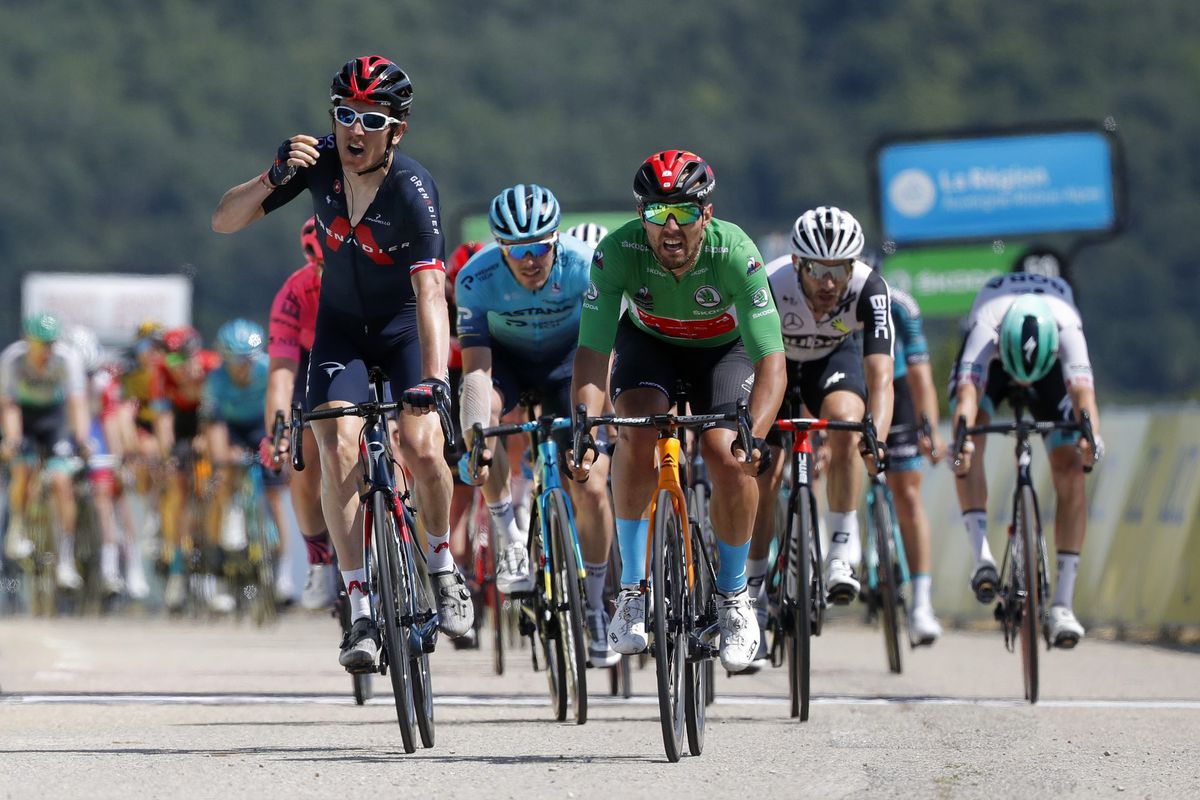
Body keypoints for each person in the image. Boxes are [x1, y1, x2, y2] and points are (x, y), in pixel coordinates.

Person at [212, 55, 472, 670]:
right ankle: (357, 607)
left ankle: (441, 563)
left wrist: (435, 381)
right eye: (344, 115)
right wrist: (271, 177)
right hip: (341, 333)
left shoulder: (412, 189)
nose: (354, 131)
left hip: (403, 329)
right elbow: (225, 221)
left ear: (397, 130)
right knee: (337, 446)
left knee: (425, 445)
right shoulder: (319, 164)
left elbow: (432, 293)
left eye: (372, 120)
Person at [568, 150, 786, 673]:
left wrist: (751, 436)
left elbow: (771, 363)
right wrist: (585, 429)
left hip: (724, 352)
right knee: (637, 436)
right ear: (639, 215)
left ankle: (735, 599)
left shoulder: (735, 252)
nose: (670, 228)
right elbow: (593, 354)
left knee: (728, 456)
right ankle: (632, 592)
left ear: (706, 214)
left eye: (684, 213)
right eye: (656, 213)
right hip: (651, 347)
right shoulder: (617, 252)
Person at [456, 184, 618, 667]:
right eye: (516, 250)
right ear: (499, 248)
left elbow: (600, 352)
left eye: (539, 247)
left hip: (572, 360)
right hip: (505, 362)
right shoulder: (474, 278)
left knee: (589, 485)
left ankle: (594, 604)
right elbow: (477, 372)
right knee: (485, 429)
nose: (530, 260)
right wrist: (475, 435)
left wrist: (596, 425)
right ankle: (510, 540)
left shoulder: (586, 264)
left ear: (556, 240)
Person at [750, 207, 893, 630]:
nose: (829, 283)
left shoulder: (870, 287)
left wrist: (877, 439)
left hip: (831, 360)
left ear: (854, 265)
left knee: (849, 422)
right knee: (765, 472)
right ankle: (753, 588)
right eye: (816, 270)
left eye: (839, 269)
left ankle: (839, 551)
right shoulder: (770, 284)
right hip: (772, 364)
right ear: (797, 263)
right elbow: (740, 357)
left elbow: (881, 377)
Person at [950, 274, 1103, 648]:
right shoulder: (987, 324)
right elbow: (968, 394)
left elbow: (1084, 398)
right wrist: (962, 441)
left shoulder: (1067, 327)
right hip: (996, 362)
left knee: (1071, 467)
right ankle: (982, 557)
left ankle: (1063, 604)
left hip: (1049, 370)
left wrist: (1091, 442)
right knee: (969, 440)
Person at [264, 217, 335, 610]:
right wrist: (278, 434)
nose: (329, 276)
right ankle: (319, 556)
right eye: (322, 268)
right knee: (302, 456)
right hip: (312, 362)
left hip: (368, 349)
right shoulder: (294, 293)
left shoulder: (375, 278)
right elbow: (280, 375)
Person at [205, 319, 294, 602]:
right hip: (230, 429)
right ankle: (225, 529)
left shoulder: (267, 369)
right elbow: (214, 423)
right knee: (224, 476)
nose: (243, 367)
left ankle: (283, 569)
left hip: (260, 425)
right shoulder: (216, 380)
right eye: (236, 361)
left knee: (275, 494)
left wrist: (281, 445)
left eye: (247, 360)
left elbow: (282, 412)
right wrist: (222, 456)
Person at [0, 313, 91, 590]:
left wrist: (82, 438)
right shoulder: (13, 358)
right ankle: (18, 526)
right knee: (22, 468)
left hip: (54, 418)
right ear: (29, 341)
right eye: (42, 344)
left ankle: (65, 559)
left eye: (52, 344)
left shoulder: (67, 359)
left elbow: (77, 402)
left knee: (63, 481)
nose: (47, 351)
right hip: (23, 418)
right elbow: (9, 404)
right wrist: (13, 439)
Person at [884, 286, 944, 645]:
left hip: (895, 383)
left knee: (907, 492)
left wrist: (931, 428)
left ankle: (921, 603)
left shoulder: (900, 305)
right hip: (845, 383)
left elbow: (921, 375)